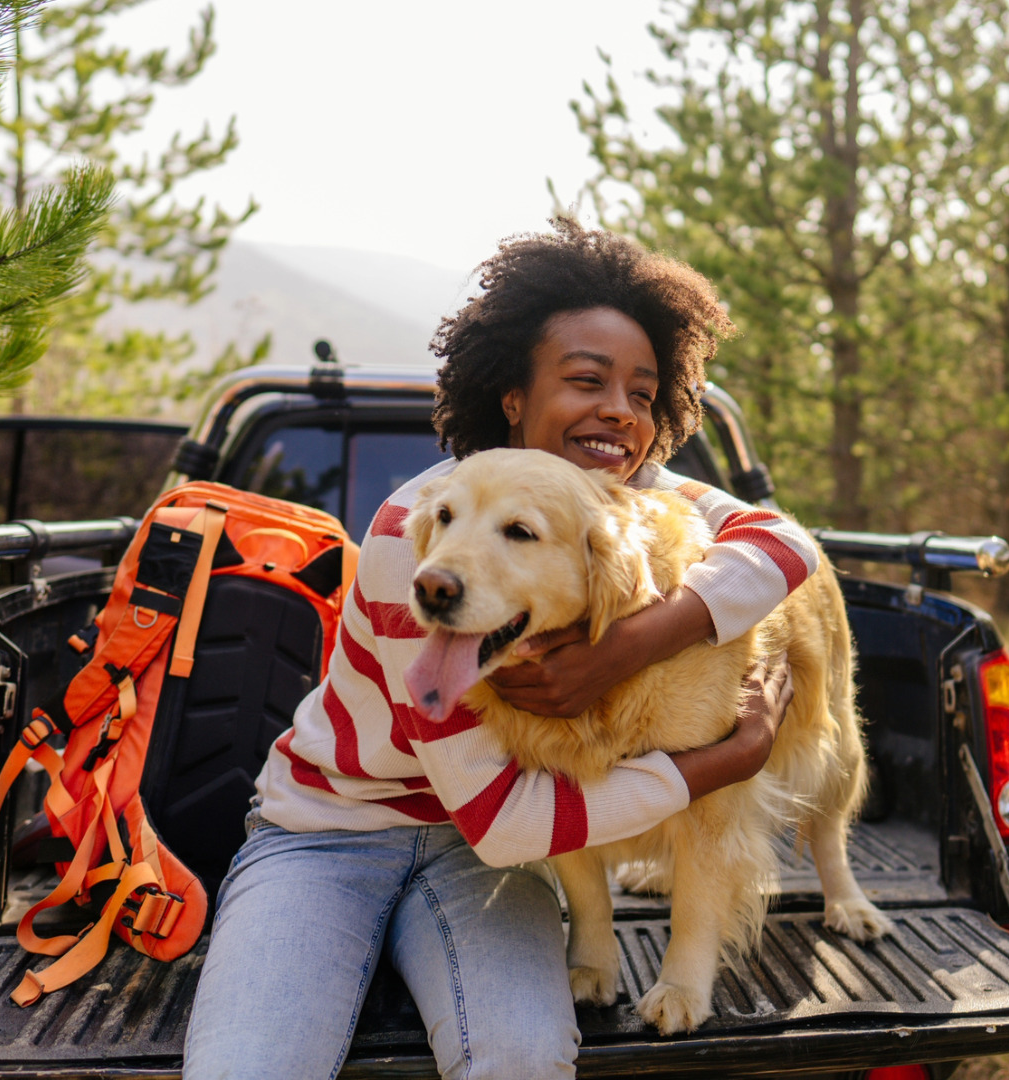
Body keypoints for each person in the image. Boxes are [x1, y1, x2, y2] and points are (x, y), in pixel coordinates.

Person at [183, 220, 821, 1080]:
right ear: (513, 398)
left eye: (643, 391)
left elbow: (786, 546)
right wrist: (723, 760)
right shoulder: (422, 535)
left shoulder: (628, 499)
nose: (617, 410)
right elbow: (504, 817)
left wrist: (625, 647)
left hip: (487, 860)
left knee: (521, 1059)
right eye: (586, 380)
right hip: (331, 832)